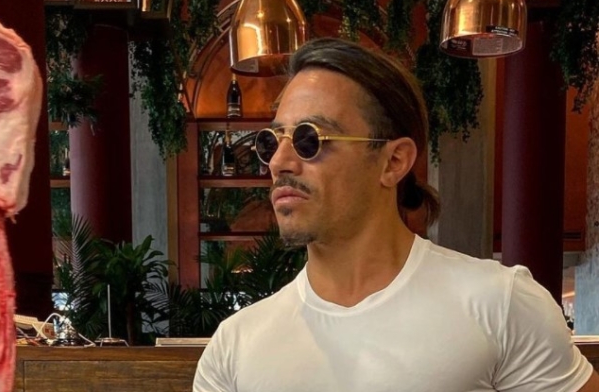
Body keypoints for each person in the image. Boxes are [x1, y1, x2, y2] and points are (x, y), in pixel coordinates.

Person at [192, 37, 599, 392]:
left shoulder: (499, 305)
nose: (280, 161)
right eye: (271, 141)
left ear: (394, 161)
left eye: (309, 139)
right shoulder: (236, 347)